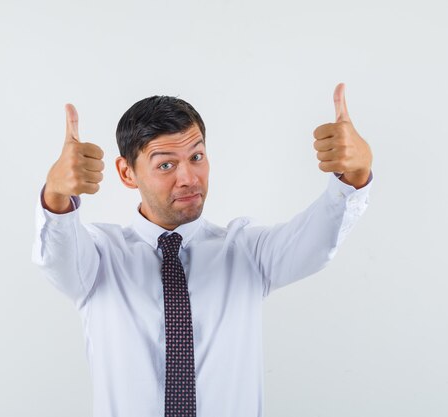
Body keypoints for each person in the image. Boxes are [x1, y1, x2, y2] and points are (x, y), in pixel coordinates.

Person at [31, 83, 373, 417]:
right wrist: (57, 194)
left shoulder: (246, 252)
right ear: (127, 173)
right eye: (166, 164)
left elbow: (316, 241)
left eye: (196, 157)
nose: (189, 178)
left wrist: (353, 175)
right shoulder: (98, 258)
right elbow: (59, 257)